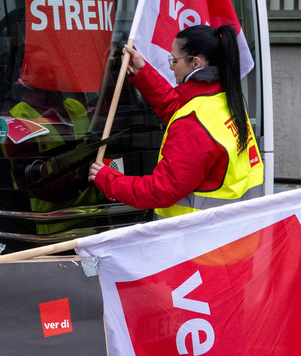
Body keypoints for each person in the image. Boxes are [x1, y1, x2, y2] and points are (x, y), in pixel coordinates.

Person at [88, 24, 264, 218]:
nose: (171, 66)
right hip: (231, 234)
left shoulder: (193, 123)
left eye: (175, 60)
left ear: (196, 63)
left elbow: (160, 190)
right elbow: (177, 108)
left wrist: (109, 180)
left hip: (194, 240)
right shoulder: (226, 100)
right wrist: (143, 72)